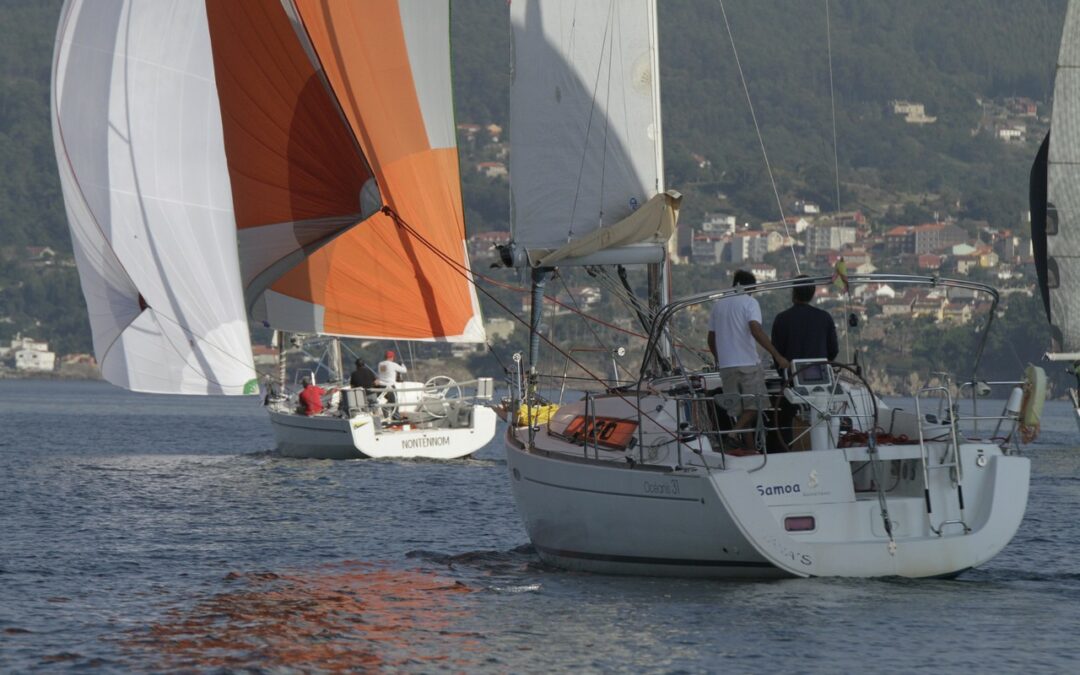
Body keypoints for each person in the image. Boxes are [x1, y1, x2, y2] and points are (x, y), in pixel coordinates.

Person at [707, 270, 790, 451]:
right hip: (748, 365)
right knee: (757, 405)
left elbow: (711, 338)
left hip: (727, 368)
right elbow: (755, 329)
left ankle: (749, 448)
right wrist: (777, 355)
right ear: (750, 287)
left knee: (740, 411)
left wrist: (719, 359)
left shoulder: (718, 305)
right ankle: (732, 434)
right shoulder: (750, 302)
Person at [771, 275, 839, 446]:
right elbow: (833, 350)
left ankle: (785, 450)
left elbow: (776, 352)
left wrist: (784, 373)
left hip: (792, 379)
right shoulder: (824, 318)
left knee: (783, 417)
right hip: (821, 381)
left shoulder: (782, 319)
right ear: (812, 294)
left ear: (793, 293)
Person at [377, 350, 407, 419]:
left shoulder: (380, 364)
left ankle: (386, 413)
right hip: (390, 386)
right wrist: (402, 364)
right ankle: (396, 417)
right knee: (395, 402)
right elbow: (404, 370)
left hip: (381, 386)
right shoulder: (393, 364)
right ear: (392, 357)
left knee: (390, 401)